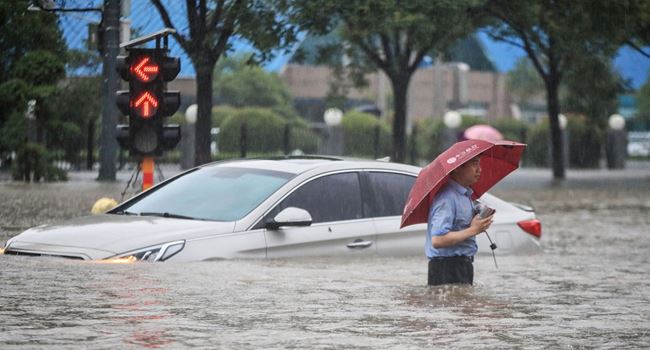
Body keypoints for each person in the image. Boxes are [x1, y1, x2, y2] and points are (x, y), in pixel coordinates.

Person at [426, 155, 494, 286]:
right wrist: (473, 230)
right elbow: (437, 240)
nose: (479, 170)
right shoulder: (446, 198)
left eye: (479, 164)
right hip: (446, 267)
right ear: (457, 168)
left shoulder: (466, 195)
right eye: (474, 164)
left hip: (463, 264)